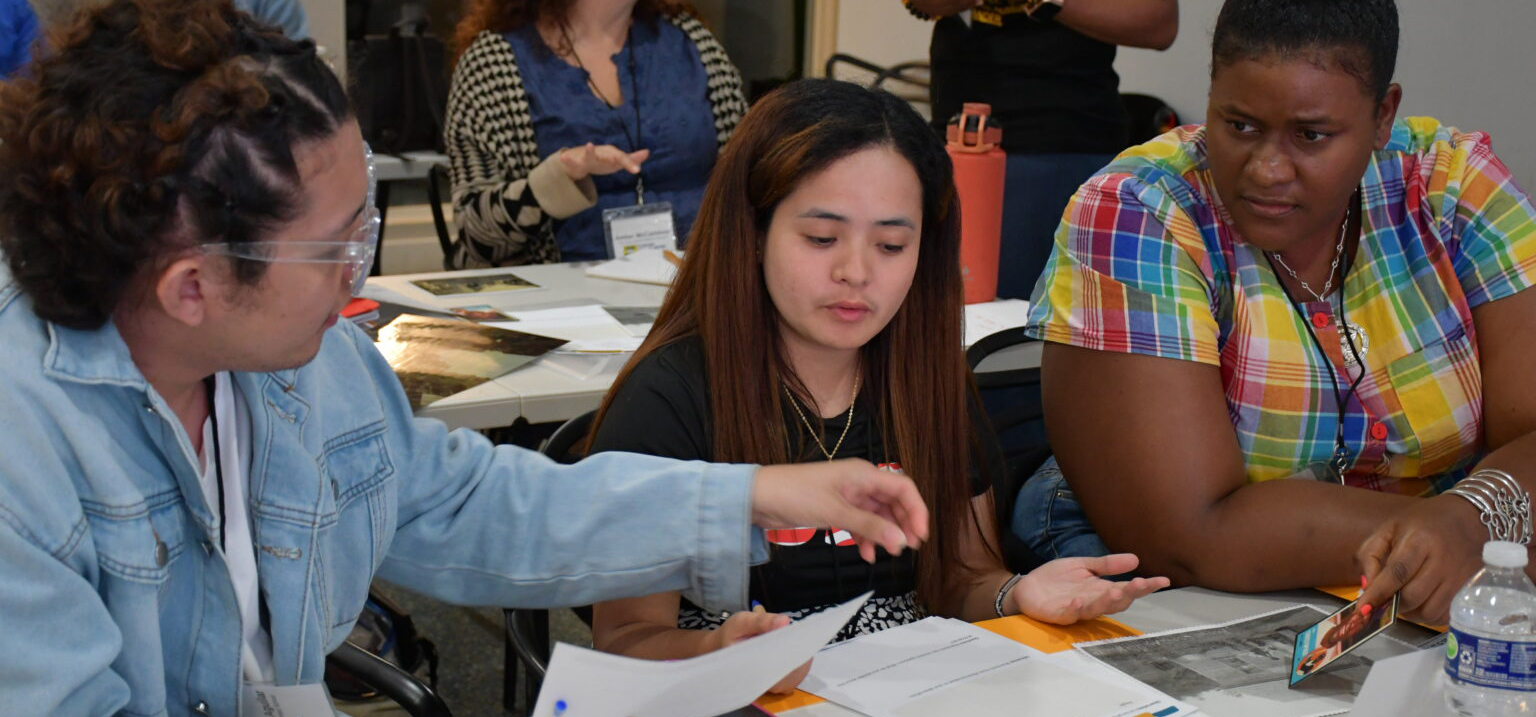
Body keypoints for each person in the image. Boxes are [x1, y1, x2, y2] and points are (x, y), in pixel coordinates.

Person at [0, 3, 929, 713]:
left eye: (368, 219)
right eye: (337, 247)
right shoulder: (23, 453)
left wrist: (755, 496)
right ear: (190, 287)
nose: (363, 277)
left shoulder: (302, 364)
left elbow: (463, 501)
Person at [585, 79, 1169, 693]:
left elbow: (961, 578)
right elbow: (626, 640)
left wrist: (1015, 592)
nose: (856, 272)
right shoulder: (668, 397)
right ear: (754, 232)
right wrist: (716, 652)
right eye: (820, 238)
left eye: (892, 245)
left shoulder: (923, 379)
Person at [1015, 0, 1536, 624]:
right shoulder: (1139, 211)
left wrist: (1467, 518)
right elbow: (1191, 531)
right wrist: (1454, 528)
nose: (1266, 169)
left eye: (1311, 135)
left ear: (1382, 117)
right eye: (1238, 125)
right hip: (1157, 576)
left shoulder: (1448, 183)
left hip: (1417, 570)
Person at [902, 0, 1178, 299]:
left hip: (1065, 141)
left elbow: (1158, 24)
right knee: (948, 308)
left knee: (1042, 319)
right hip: (959, 131)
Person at [444, 0, 748, 267]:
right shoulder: (493, 62)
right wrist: (558, 177)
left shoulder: (690, 41)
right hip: (557, 298)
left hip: (695, 287)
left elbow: (754, 175)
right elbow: (477, 234)